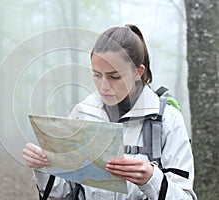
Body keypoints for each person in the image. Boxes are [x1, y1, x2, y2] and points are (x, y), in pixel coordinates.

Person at [23, 24, 197, 200]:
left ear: (138, 72)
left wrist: (151, 179)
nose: (103, 86)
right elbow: (64, 193)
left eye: (114, 77)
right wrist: (44, 167)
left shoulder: (168, 120)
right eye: (97, 75)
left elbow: (185, 197)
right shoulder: (82, 114)